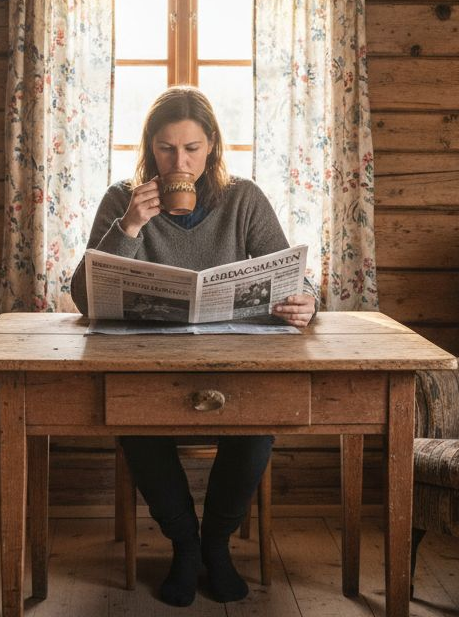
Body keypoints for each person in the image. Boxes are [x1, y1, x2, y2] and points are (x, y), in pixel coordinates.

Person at [70, 85, 317, 606]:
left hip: (235, 359)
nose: (178, 161)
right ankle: (184, 544)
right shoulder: (123, 199)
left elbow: (293, 278)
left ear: (211, 149)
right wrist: (131, 225)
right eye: (165, 148)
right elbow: (81, 297)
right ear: (149, 148)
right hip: (149, 364)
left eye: (191, 149)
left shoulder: (242, 198)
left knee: (259, 423)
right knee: (133, 421)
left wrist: (306, 302)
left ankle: (215, 543)